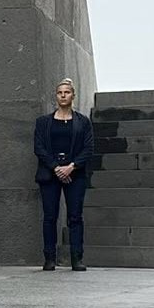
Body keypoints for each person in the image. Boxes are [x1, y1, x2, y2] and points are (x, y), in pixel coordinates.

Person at [34, 78, 94, 272]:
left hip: (75, 174)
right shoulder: (43, 122)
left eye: (67, 92)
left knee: (75, 216)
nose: (63, 96)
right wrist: (56, 168)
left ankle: (77, 258)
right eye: (60, 93)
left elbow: (88, 148)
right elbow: (39, 148)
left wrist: (71, 167)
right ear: (56, 96)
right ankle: (49, 258)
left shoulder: (83, 122)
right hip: (49, 174)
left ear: (73, 95)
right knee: (50, 216)